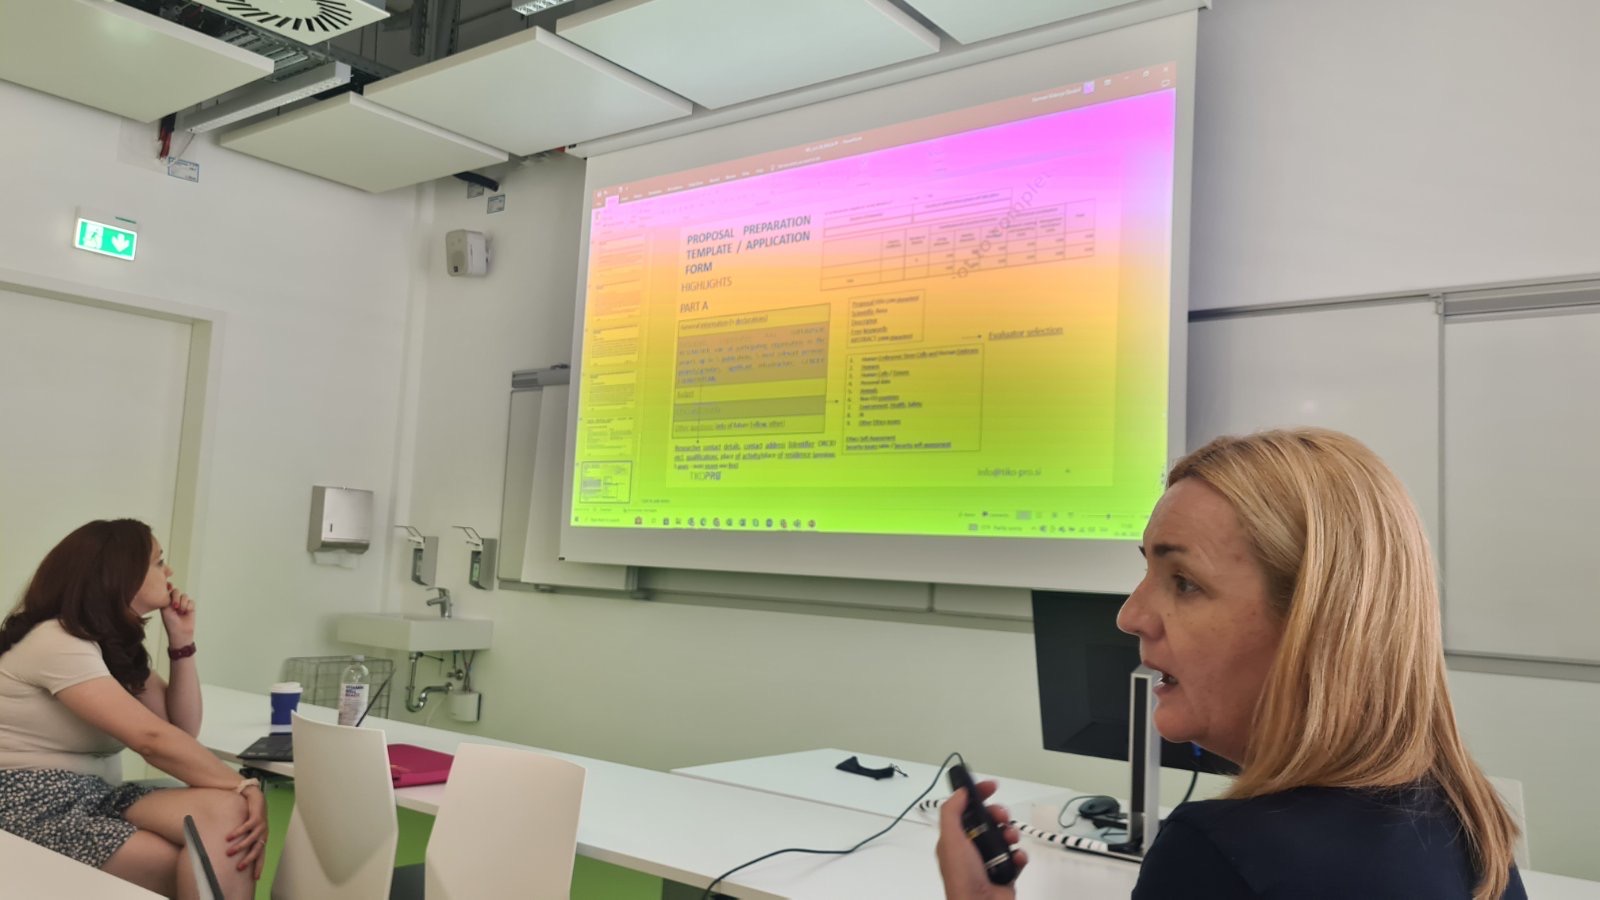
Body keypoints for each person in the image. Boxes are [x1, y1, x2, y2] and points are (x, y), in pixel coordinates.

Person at [937, 428, 1525, 900]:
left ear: (1315, 624)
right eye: (1147, 571)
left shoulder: (1220, 857)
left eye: (1184, 582)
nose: (1130, 616)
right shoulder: (1465, 820)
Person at [0, 519, 267, 900]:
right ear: (122, 576)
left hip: (96, 796)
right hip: (28, 803)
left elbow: (180, 729)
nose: (168, 571)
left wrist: (182, 642)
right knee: (189, 859)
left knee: (228, 812)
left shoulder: (108, 646)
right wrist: (243, 783)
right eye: (158, 562)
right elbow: (151, 739)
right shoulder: (57, 641)